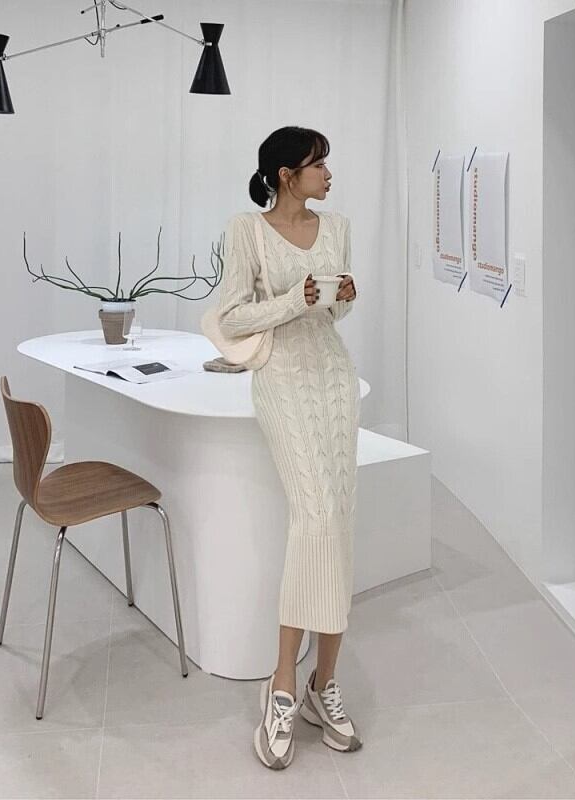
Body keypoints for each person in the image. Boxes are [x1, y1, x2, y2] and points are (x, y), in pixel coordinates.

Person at [216, 126, 362, 769]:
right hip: (281, 381)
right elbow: (230, 316)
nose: (327, 173)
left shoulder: (338, 227)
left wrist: (341, 299)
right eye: (317, 164)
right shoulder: (246, 231)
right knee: (314, 518)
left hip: (334, 379)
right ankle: (282, 684)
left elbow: (331, 316)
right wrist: (290, 300)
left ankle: (322, 686)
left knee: (338, 520)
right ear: (285, 174)